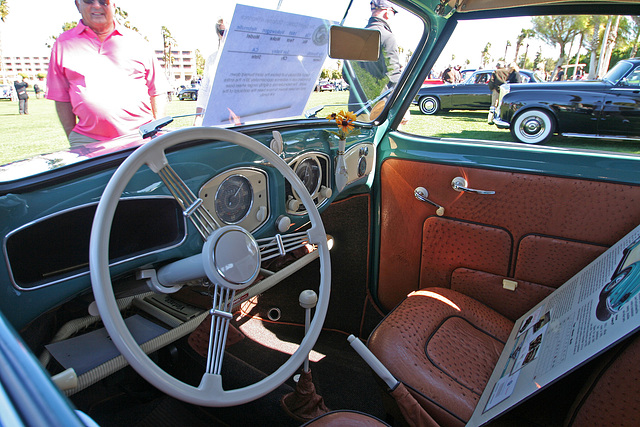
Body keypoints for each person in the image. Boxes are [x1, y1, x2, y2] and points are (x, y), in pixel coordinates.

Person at [46, 0, 170, 146]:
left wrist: (154, 130)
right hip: (88, 140)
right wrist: (73, 136)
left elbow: (157, 90)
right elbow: (61, 97)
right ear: (78, 5)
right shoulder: (63, 44)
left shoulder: (136, 41)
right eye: (89, 1)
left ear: (114, 6)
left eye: (104, 2)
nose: (97, 6)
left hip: (140, 137)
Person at [345, 0, 402, 119]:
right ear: (387, 12)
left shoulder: (354, 38)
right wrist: (401, 107)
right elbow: (393, 76)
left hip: (355, 109)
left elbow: (346, 75)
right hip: (378, 110)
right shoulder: (387, 37)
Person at [195, 18, 226, 125]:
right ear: (218, 34)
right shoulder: (211, 59)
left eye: (229, 32)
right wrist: (198, 117)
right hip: (215, 117)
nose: (225, 36)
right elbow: (204, 89)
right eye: (222, 32)